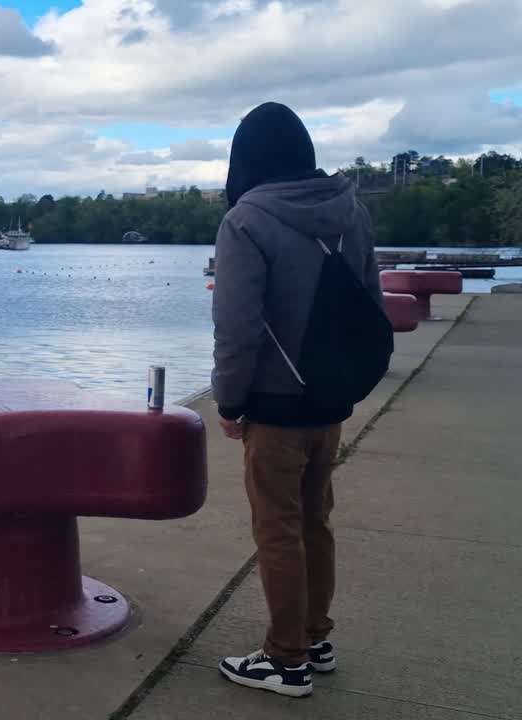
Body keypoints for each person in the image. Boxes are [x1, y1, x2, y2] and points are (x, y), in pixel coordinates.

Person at [211, 102, 382, 698]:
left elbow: (237, 328)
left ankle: (286, 659)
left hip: (275, 405)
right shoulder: (351, 211)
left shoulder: (246, 220)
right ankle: (315, 634)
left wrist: (228, 403)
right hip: (329, 399)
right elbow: (370, 306)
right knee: (315, 519)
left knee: (277, 527)